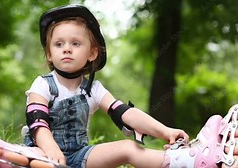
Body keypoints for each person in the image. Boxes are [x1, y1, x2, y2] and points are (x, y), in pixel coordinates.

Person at [23, 4, 238, 168]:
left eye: (75, 43)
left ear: (92, 53)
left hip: (79, 156)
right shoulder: (43, 84)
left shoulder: (93, 89)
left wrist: (165, 131)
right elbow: (37, 123)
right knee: (36, 159)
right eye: (59, 44)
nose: (67, 49)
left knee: (128, 148)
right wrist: (50, 149)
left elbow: (126, 114)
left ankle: (186, 160)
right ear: (50, 53)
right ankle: (17, 159)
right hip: (43, 151)